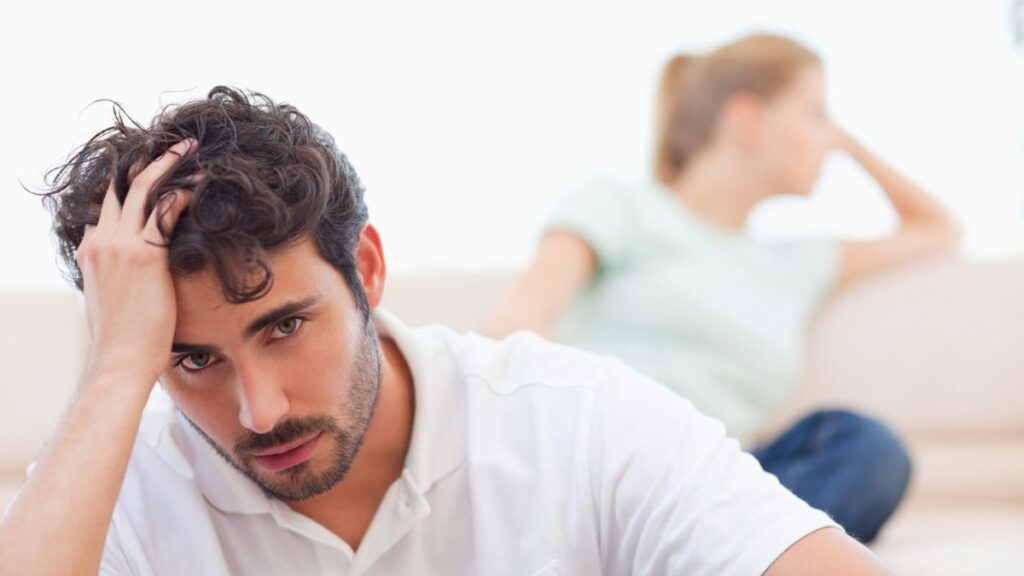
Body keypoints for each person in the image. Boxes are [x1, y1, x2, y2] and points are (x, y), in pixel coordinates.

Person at [0, 87, 895, 575]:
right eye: (190, 359)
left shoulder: (572, 419)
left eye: (284, 327)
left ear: (370, 271)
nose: (259, 411)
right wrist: (119, 371)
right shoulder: (121, 483)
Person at [484, 33, 962, 544]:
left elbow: (939, 228)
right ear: (746, 119)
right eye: (815, 114)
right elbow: (517, 323)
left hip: (723, 489)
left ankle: (699, 555)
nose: (827, 139)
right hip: (606, 467)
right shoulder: (620, 206)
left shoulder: (798, 261)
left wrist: (847, 143)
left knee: (867, 447)